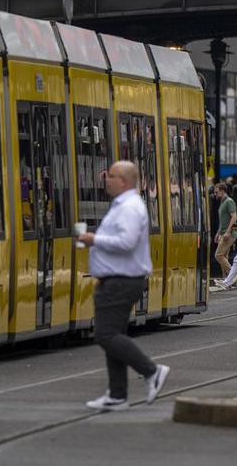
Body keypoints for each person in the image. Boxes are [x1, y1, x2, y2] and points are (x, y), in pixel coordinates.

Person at [77, 161, 170, 411]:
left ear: (125, 181)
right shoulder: (124, 205)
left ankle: (152, 370)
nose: (106, 179)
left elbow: (127, 242)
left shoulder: (128, 207)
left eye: (112, 175)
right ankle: (117, 395)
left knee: (105, 335)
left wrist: (93, 239)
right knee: (114, 336)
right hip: (118, 279)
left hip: (121, 280)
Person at [212, 183, 237, 277]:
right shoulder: (222, 202)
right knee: (224, 257)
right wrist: (218, 233)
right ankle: (228, 281)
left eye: (216, 192)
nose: (215, 194)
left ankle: (232, 276)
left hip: (229, 234)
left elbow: (234, 217)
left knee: (218, 255)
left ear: (222, 191)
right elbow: (223, 220)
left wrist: (227, 232)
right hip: (223, 233)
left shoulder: (229, 201)